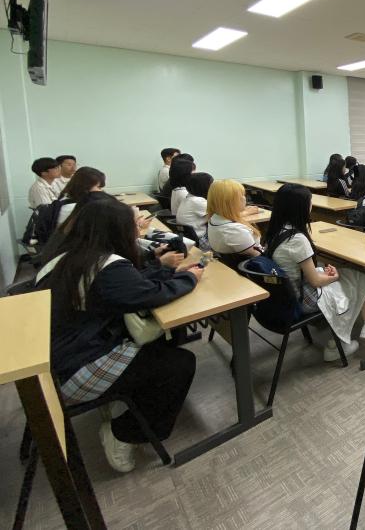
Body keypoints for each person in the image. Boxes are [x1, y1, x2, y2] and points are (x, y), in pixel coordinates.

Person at [35, 197, 203, 473]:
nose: (136, 230)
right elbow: (150, 296)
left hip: (55, 360)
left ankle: (127, 399)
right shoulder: (106, 266)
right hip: (74, 370)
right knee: (180, 363)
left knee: (161, 339)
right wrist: (190, 278)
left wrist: (161, 268)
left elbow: (129, 286)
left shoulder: (67, 257)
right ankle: (124, 433)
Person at [264, 184, 365, 361]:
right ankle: (340, 342)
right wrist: (336, 276)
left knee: (355, 275)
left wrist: (328, 274)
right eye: (309, 202)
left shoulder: (275, 231)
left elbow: (305, 272)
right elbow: (316, 281)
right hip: (301, 299)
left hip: (286, 295)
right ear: (299, 207)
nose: (311, 205)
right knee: (360, 277)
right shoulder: (297, 239)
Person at [206, 179, 262, 257]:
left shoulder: (215, 217)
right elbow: (257, 254)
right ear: (229, 202)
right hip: (252, 263)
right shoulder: (235, 230)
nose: (244, 198)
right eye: (241, 195)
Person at [176, 172, 213, 245]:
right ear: (204, 186)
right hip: (201, 240)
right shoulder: (198, 201)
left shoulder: (189, 197)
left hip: (188, 238)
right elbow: (221, 213)